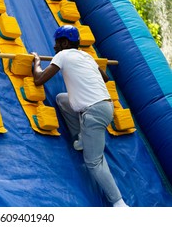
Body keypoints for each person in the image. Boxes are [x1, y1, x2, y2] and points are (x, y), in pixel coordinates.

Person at [31, 25, 128, 207]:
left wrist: (36, 63)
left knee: (94, 162)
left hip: (93, 113)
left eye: (56, 43)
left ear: (65, 43)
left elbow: (39, 79)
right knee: (62, 100)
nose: (54, 48)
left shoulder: (63, 55)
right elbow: (105, 78)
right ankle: (81, 137)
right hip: (106, 106)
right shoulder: (87, 56)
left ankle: (119, 203)